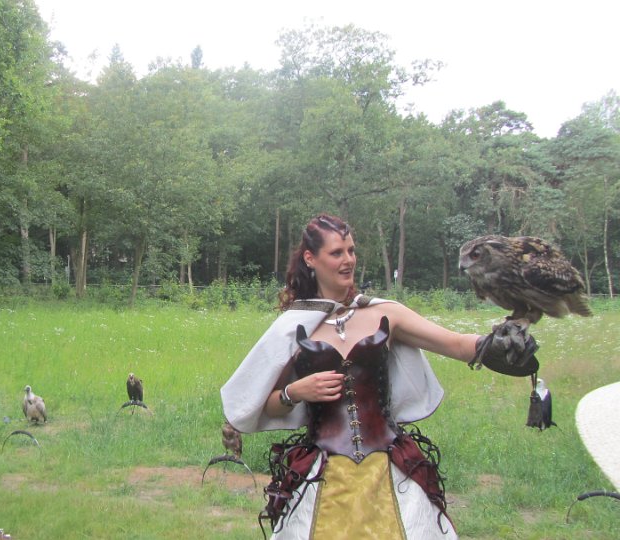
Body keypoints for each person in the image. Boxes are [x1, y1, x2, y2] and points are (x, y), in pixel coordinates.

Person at [221, 214, 534, 539]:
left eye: (351, 250)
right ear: (311, 259)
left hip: (389, 466)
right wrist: (295, 392)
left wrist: (500, 340)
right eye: (337, 252)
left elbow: (456, 344)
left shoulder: (384, 313)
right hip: (323, 472)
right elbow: (268, 404)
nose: (348, 260)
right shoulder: (294, 326)